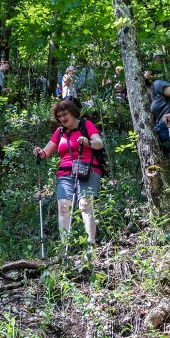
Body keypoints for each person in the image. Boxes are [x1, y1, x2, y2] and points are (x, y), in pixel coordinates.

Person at [32, 99, 103, 246]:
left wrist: (88, 143)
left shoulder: (86, 125)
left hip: (86, 170)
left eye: (65, 114)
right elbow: (46, 152)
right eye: (59, 116)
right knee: (63, 207)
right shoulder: (60, 132)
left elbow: (99, 143)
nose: (62, 118)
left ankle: (91, 244)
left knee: (85, 204)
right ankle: (65, 247)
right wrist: (40, 153)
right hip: (65, 174)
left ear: (73, 112)